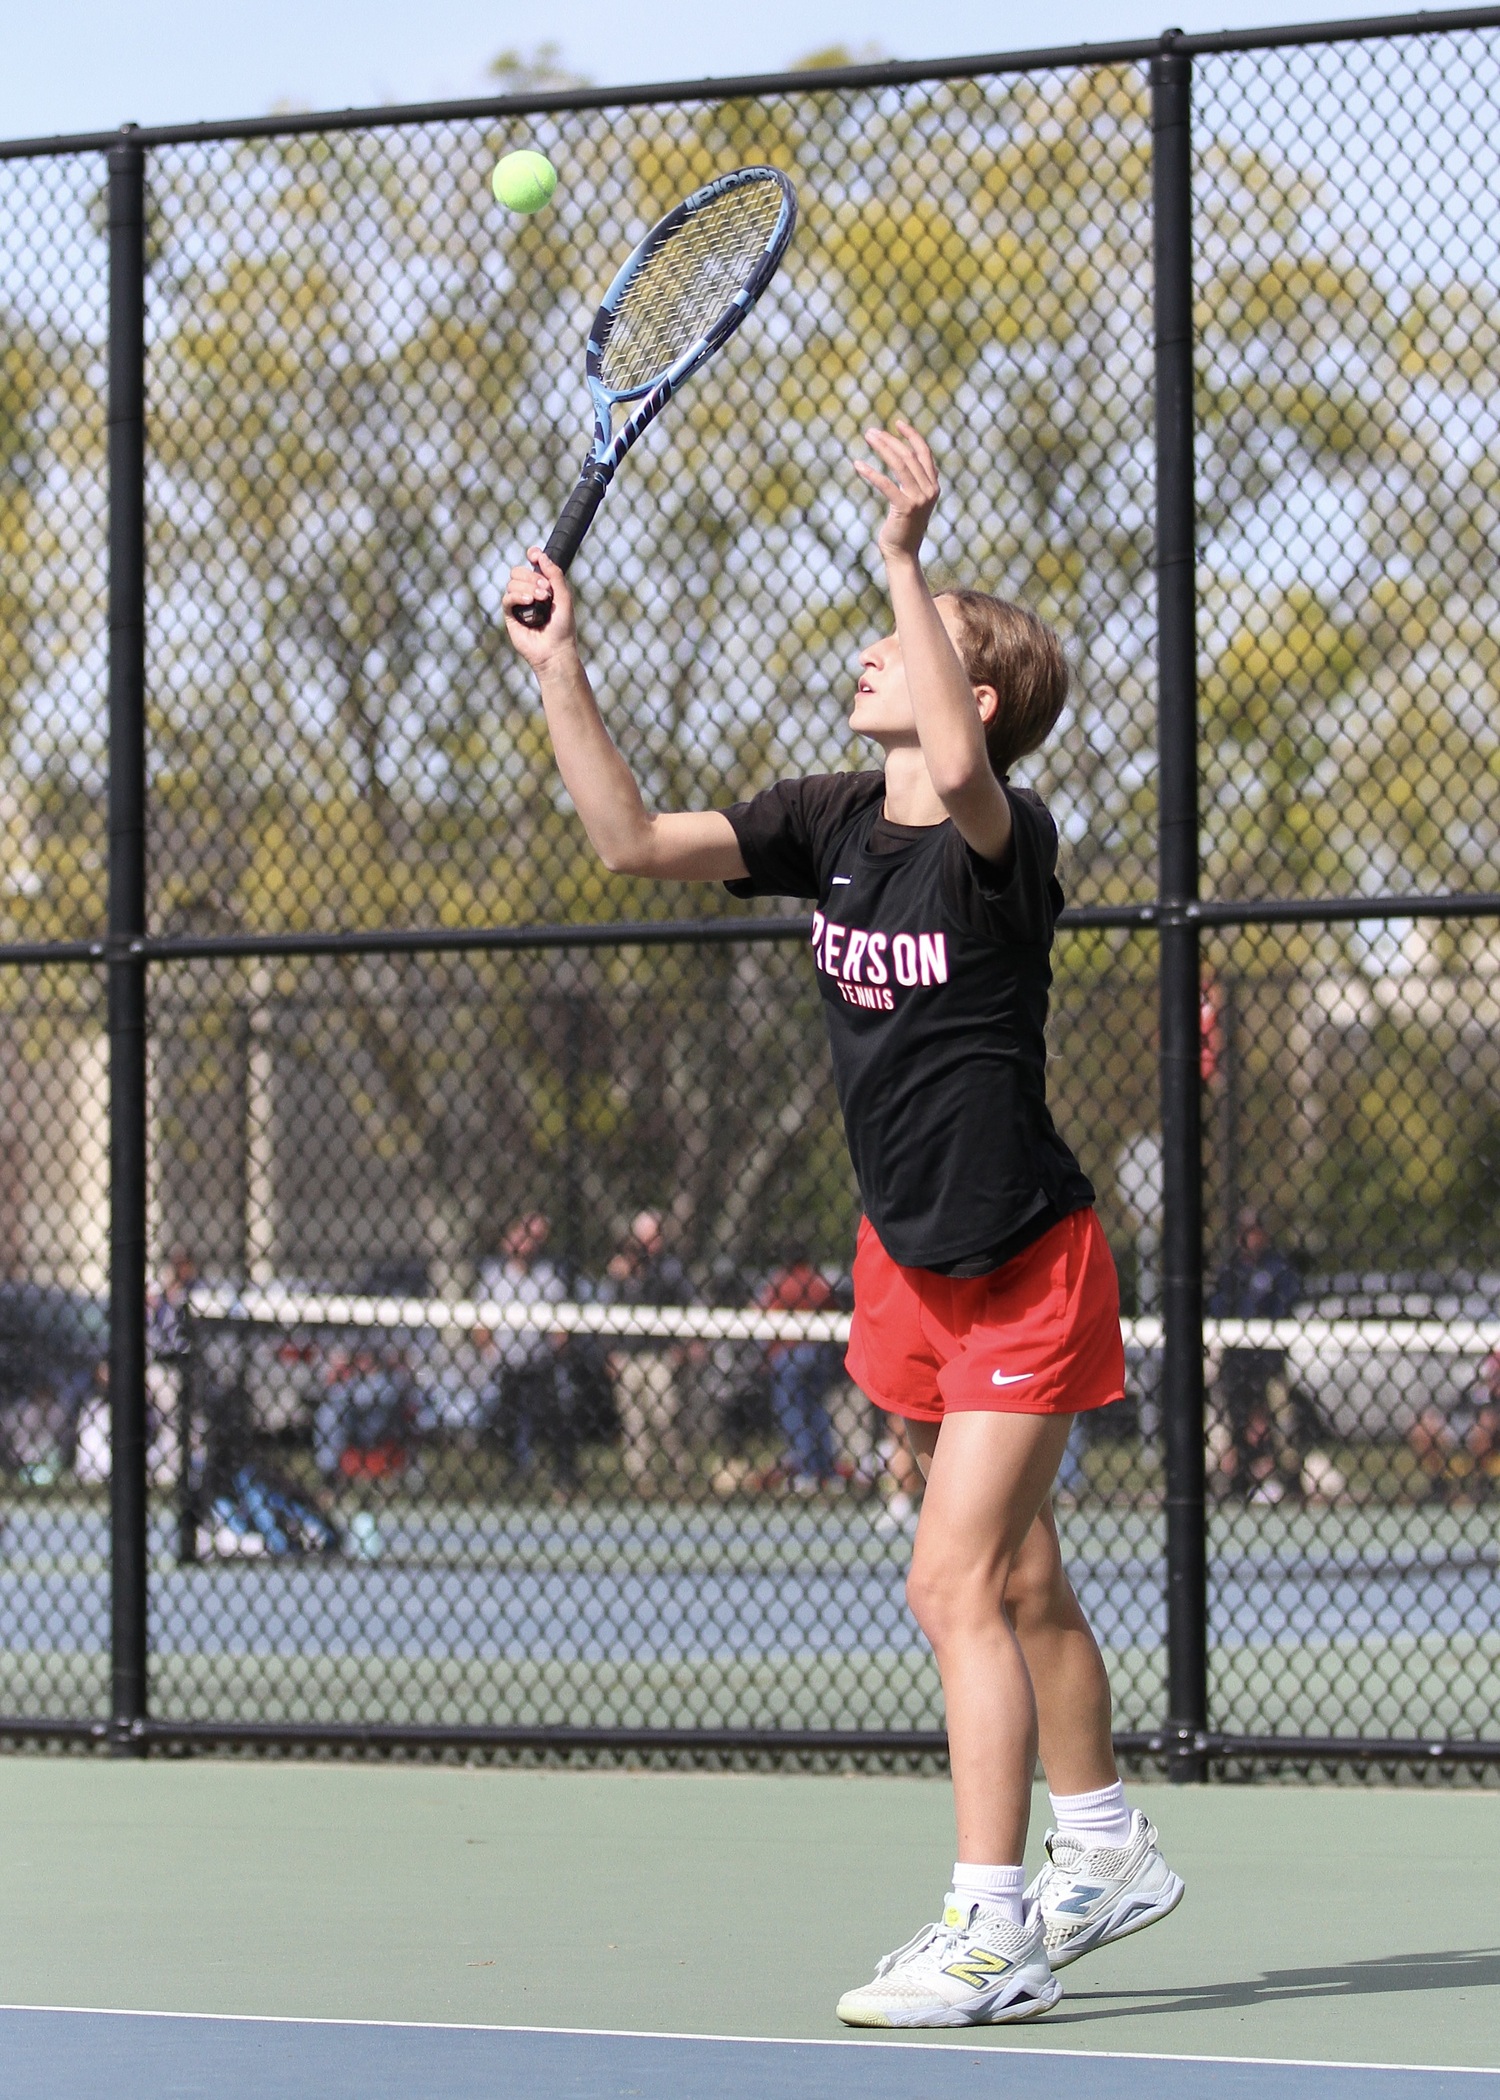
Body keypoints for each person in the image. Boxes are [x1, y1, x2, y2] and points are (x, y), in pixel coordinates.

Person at [504, 418, 1182, 2027]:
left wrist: (906, 550)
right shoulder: (824, 824)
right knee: (1016, 1578)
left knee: (945, 1586)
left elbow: (957, 770)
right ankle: (1107, 1848)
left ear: (985, 698)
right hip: (907, 1261)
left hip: (1024, 1262)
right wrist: (558, 669)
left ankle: (992, 1929)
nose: (878, 644)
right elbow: (628, 840)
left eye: (918, 642)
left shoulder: (1005, 847)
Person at [477, 1212, 577, 1495]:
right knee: (506, 1421)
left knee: (556, 1416)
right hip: (505, 1364)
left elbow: (560, 1323)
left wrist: (558, 1349)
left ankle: (564, 1477)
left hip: (540, 1363)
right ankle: (515, 1473)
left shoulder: (548, 1276)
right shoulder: (494, 1277)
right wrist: (491, 1353)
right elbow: (481, 1323)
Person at [1208, 1208, 1303, 1502]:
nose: (1248, 1237)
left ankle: (1289, 1479)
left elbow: (1284, 1310)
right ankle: (1231, 1481)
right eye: (1243, 1231)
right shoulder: (1231, 1272)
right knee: (1227, 1424)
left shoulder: (1278, 1270)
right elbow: (1218, 1309)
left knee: (1280, 1420)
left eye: (1253, 1230)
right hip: (1236, 1364)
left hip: (1269, 1363)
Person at [603, 1209, 693, 1494]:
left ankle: (680, 1469)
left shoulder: (669, 1269)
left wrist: (682, 1346)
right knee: (633, 1419)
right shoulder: (620, 1272)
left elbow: (685, 1305)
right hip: (627, 1354)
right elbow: (607, 1314)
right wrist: (610, 1352)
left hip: (658, 1354)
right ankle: (641, 1477)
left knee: (664, 1414)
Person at [759, 1252, 841, 1492]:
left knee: (793, 1413)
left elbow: (766, 1312)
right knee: (817, 1412)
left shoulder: (781, 1282)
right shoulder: (817, 1281)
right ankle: (826, 1471)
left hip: (790, 1354)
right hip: (817, 1353)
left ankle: (807, 1472)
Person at [1409, 1348, 1500, 1503]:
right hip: (1462, 1416)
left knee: (1485, 1423)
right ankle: (1440, 1484)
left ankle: (1481, 1485)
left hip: (1490, 1420)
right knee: (1421, 1427)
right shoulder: (1462, 1366)